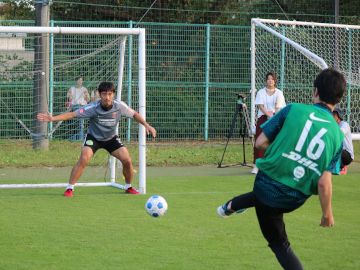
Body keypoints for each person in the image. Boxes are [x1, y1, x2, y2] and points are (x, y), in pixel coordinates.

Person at [217, 68, 346, 270]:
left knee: (279, 242)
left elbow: (260, 143)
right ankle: (230, 207)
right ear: (338, 101)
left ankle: (230, 206)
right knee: (266, 201)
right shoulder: (338, 136)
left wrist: (283, 151)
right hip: (295, 197)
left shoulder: (292, 109)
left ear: (315, 91)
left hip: (267, 188)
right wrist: (327, 214)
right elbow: (323, 182)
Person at [38, 81, 156, 197]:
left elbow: (134, 114)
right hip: (93, 138)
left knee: (127, 160)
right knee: (84, 159)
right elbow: (72, 114)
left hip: (111, 139)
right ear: (99, 94)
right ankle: (69, 188)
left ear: (113, 95)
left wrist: (147, 125)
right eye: (104, 94)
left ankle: (128, 187)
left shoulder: (120, 106)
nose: (107, 97)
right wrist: (53, 118)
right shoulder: (92, 107)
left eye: (110, 94)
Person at [252, 72, 286, 174]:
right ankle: (256, 165)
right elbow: (261, 107)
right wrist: (270, 116)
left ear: (275, 81)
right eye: (268, 79)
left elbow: (278, 108)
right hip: (263, 118)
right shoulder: (261, 92)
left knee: (275, 141)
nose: (270, 81)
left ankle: (273, 164)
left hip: (275, 119)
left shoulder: (279, 93)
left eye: (272, 79)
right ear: (265, 81)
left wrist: (274, 118)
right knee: (259, 140)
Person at [332, 107, 354, 174]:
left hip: (348, 155)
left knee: (335, 149)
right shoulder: (334, 126)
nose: (332, 116)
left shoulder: (344, 124)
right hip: (340, 154)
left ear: (339, 116)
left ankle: (342, 168)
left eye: (334, 114)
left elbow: (340, 133)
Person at [67, 76, 90, 141]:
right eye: (79, 80)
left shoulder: (84, 89)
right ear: (76, 81)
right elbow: (69, 100)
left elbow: (87, 100)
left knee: (80, 123)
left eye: (81, 80)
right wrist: (70, 95)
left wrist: (86, 95)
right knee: (72, 123)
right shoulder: (72, 88)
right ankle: (72, 138)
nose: (80, 82)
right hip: (73, 107)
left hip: (82, 107)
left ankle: (80, 138)